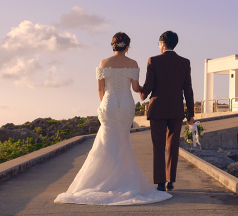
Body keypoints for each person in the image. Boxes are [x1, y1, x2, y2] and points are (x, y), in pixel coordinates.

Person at [54, 32, 171, 206]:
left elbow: (100, 90)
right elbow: (136, 87)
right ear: (128, 46)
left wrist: (107, 104)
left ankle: (98, 180)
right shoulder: (132, 64)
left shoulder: (104, 63)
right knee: (123, 140)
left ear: (113, 45)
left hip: (108, 104)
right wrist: (144, 91)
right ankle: (122, 179)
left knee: (105, 142)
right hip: (125, 105)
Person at [139, 30, 195, 191]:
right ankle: (171, 180)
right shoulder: (185, 62)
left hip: (157, 109)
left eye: (158, 43)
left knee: (158, 146)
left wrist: (141, 93)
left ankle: (160, 182)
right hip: (176, 110)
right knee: (173, 145)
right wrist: (190, 113)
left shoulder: (153, 61)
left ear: (163, 43)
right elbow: (188, 90)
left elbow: (149, 85)